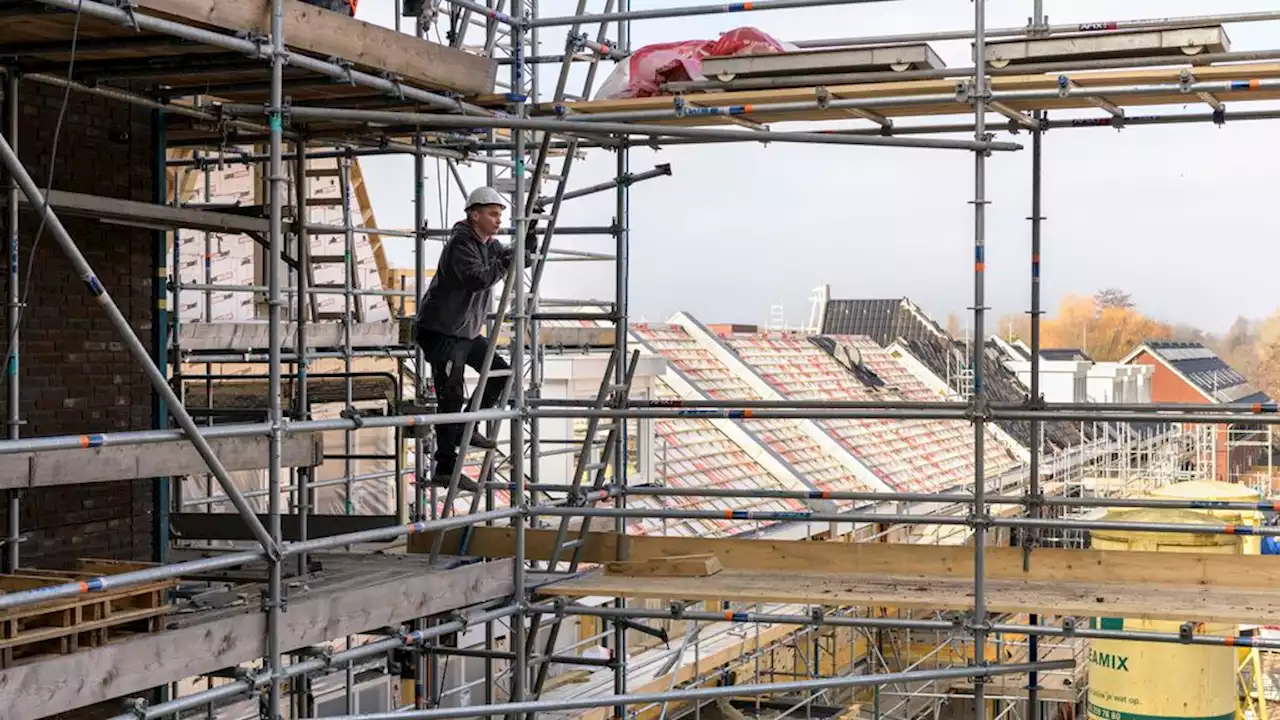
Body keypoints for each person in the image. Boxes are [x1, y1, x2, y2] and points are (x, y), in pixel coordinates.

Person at [415, 186, 531, 492]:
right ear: (474, 215)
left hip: (464, 332)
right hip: (440, 333)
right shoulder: (461, 244)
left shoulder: (486, 243)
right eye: (492, 214)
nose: (497, 221)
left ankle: (469, 425)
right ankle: (445, 466)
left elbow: (507, 257)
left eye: (499, 215)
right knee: (450, 396)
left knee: (501, 373)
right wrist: (509, 260)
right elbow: (478, 278)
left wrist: (523, 247)